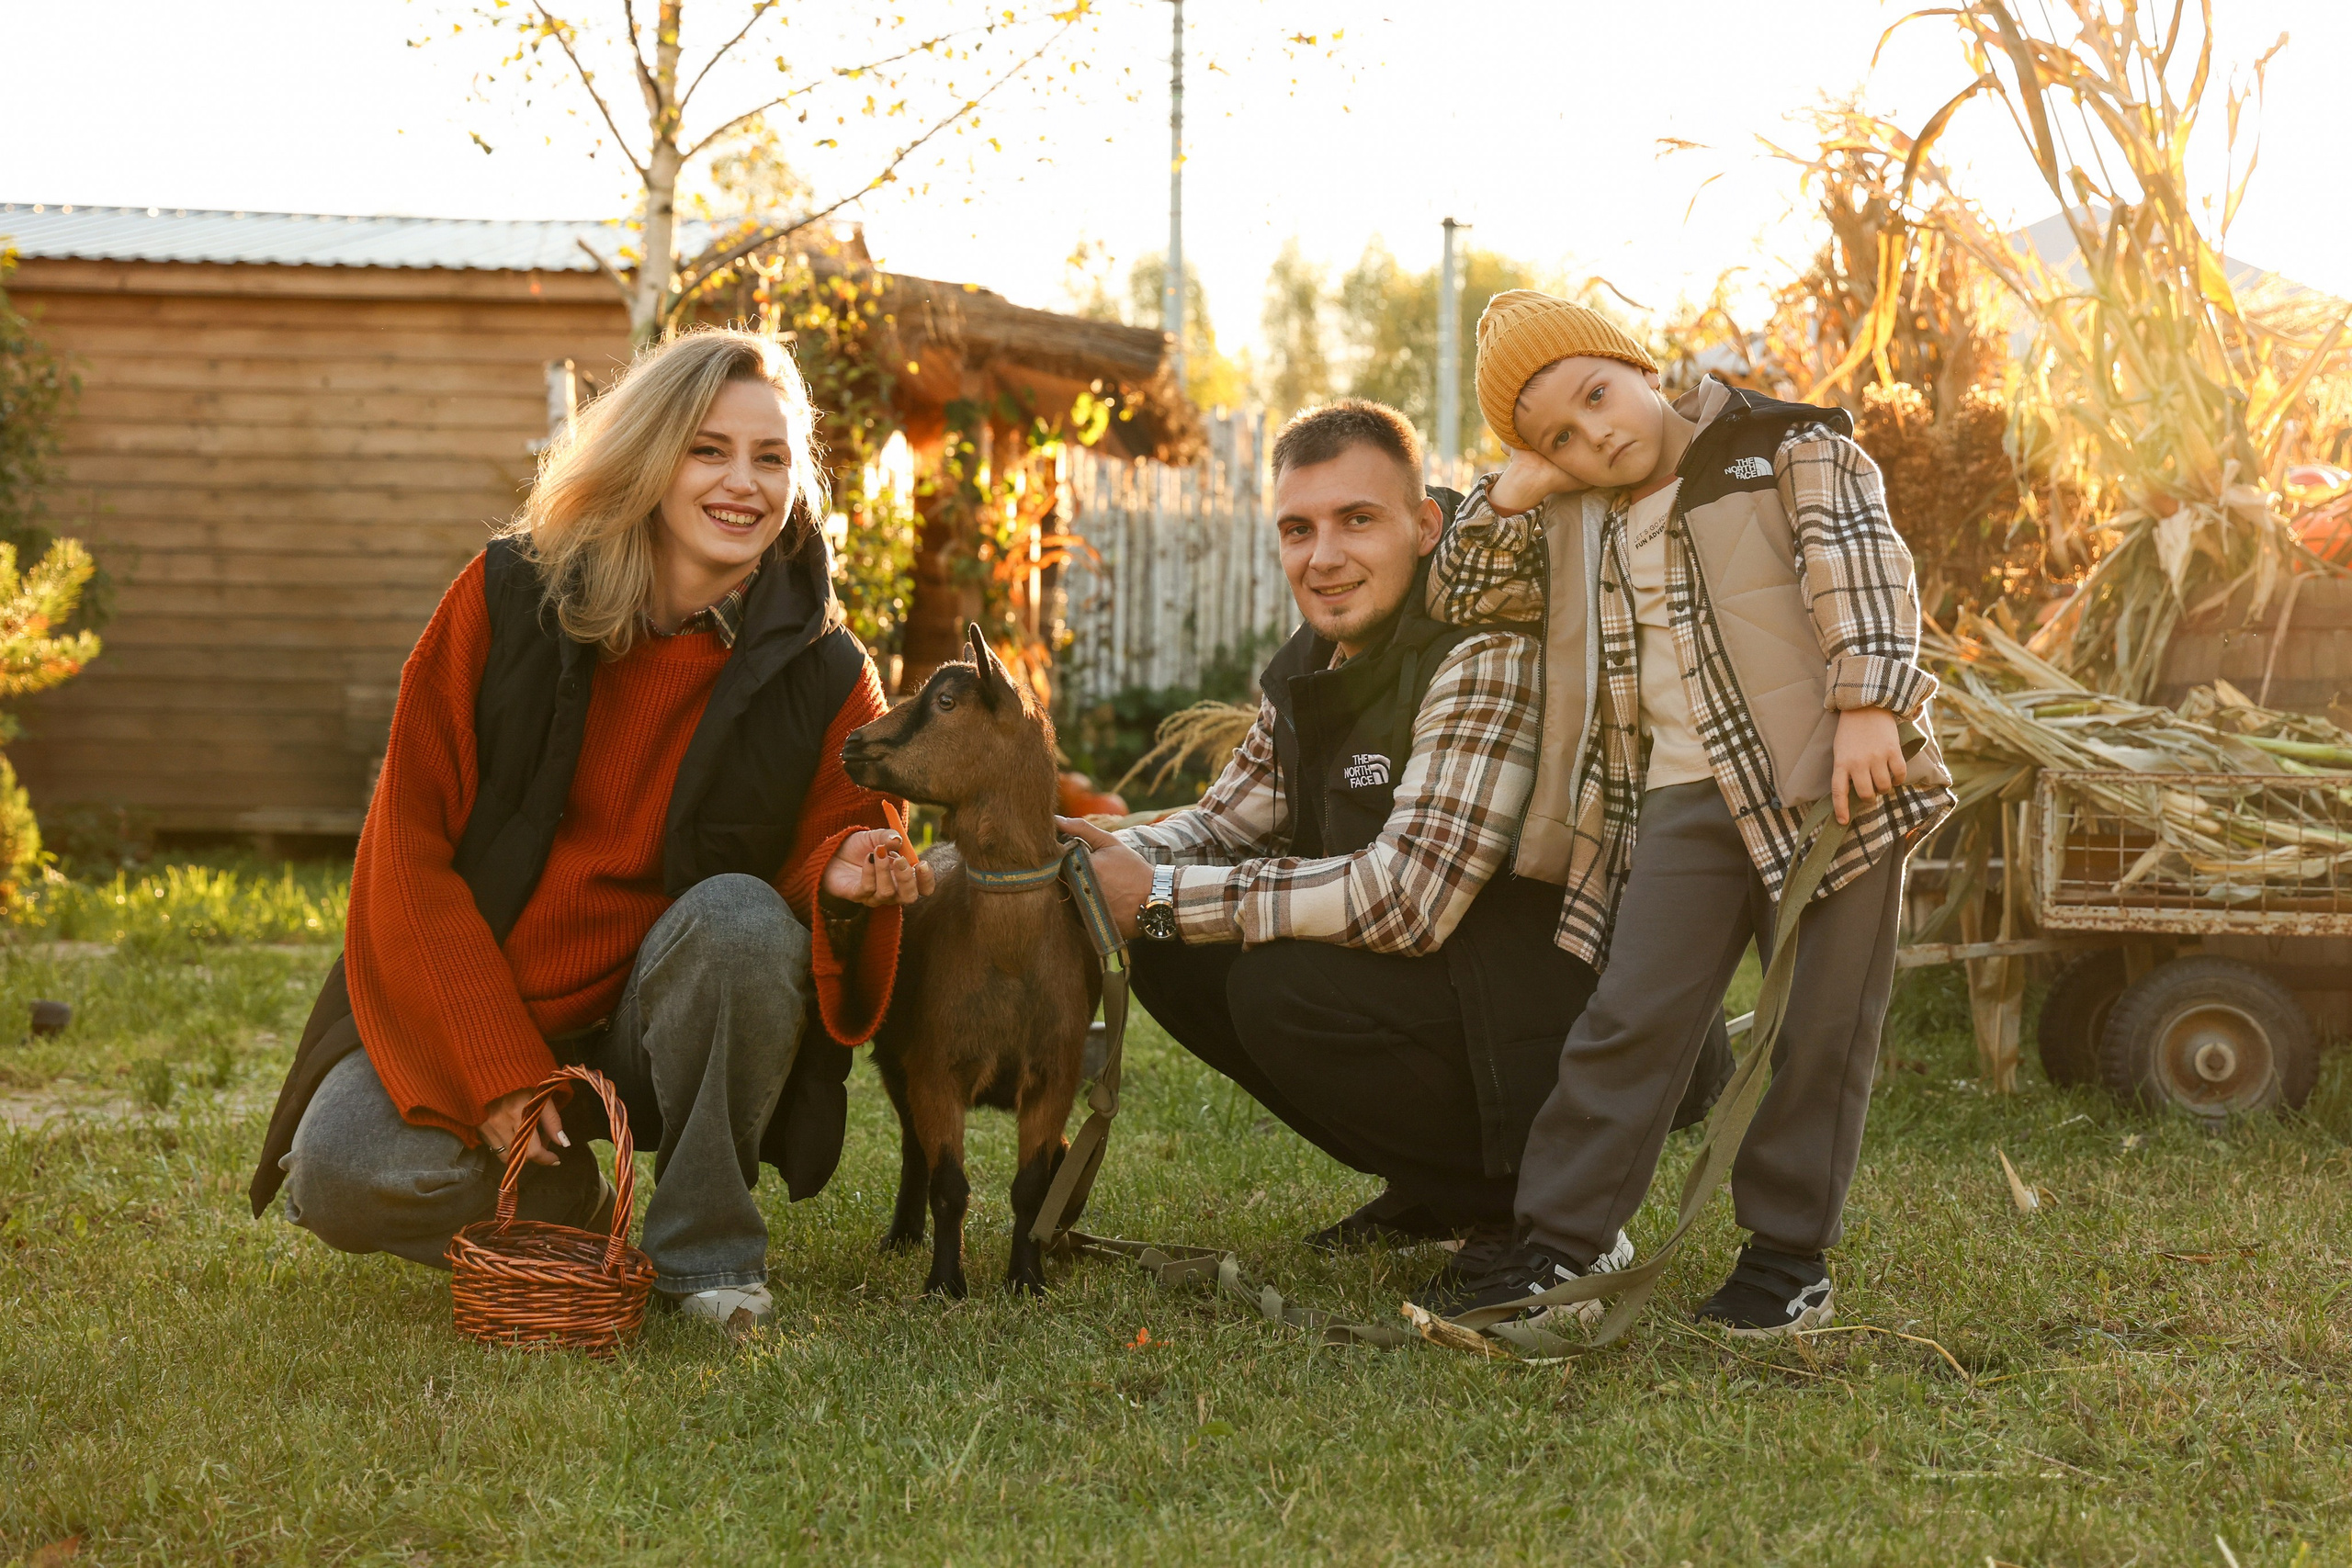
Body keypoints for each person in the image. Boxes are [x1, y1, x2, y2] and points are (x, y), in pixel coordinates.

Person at [248, 328, 930, 1333]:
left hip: (656, 1026)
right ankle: (569, 1212)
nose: (743, 483)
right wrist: (496, 1069)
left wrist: (842, 875)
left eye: (771, 457)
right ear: (649, 455)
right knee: (342, 1171)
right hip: (493, 993)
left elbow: (813, 881)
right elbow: (404, 853)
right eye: (709, 449)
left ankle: (703, 1255)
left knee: (742, 923)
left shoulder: (829, 672)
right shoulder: (502, 598)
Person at [1057, 400, 1727, 1258]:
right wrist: (1080, 858)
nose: (1323, 557)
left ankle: (1554, 1208)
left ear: (1423, 525)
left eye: (1357, 520)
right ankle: (1444, 1192)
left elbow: (1408, 899)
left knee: (1279, 986)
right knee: (1176, 951)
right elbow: (1225, 820)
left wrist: (1155, 895)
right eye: (1298, 529)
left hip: (1574, 1018)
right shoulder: (1316, 659)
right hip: (1463, 997)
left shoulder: (1485, 649)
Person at [1411, 290, 1953, 1337]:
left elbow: (1862, 570)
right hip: (1676, 802)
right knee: (1631, 1014)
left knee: (1819, 1027)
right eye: (1558, 434)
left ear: (1643, 368)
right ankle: (1564, 1243)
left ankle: (1785, 1260)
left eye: (1597, 395)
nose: (1595, 433)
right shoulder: (1576, 514)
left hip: (1827, 783)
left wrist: (1870, 705)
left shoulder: (1783, 447)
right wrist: (1510, 488)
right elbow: (1462, 593)